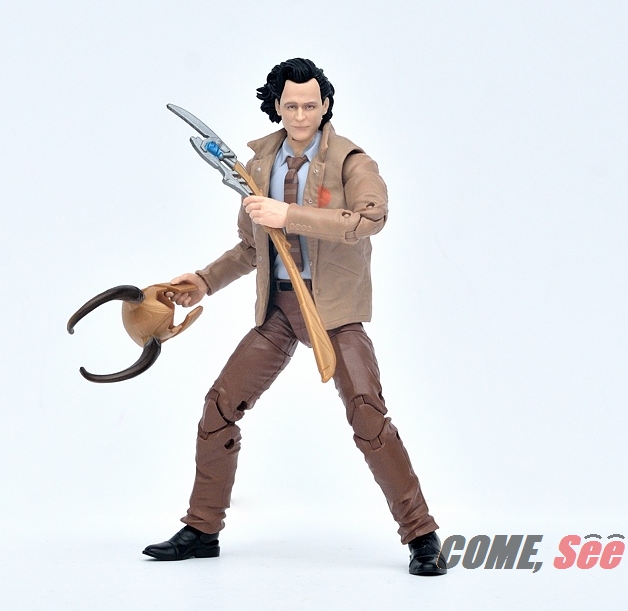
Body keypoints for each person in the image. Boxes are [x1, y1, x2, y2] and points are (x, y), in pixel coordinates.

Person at [143, 58, 446, 575]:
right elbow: (251, 247)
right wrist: (204, 281)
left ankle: (421, 535)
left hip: (334, 311)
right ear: (276, 107)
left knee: (368, 416)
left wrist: (290, 215)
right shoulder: (259, 165)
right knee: (219, 407)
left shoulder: (351, 162)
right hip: (279, 310)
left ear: (325, 105)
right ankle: (202, 528)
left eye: (310, 105)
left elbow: (371, 218)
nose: (301, 115)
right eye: (291, 106)